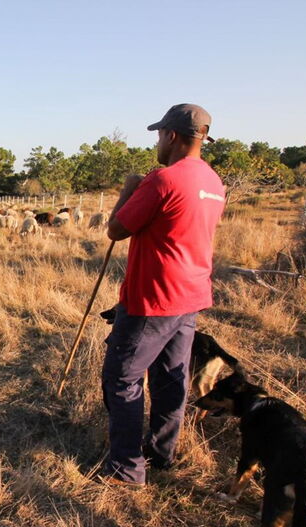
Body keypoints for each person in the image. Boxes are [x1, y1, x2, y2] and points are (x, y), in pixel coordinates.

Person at [99, 103, 226, 486]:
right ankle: (161, 453)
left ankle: (126, 468)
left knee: (122, 377)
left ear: (171, 135)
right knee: (172, 378)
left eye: (159, 134)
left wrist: (127, 191)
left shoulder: (163, 180)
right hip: (192, 295)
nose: (157, 141)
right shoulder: (214, 183)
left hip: (154, 297)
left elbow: (117, 229)